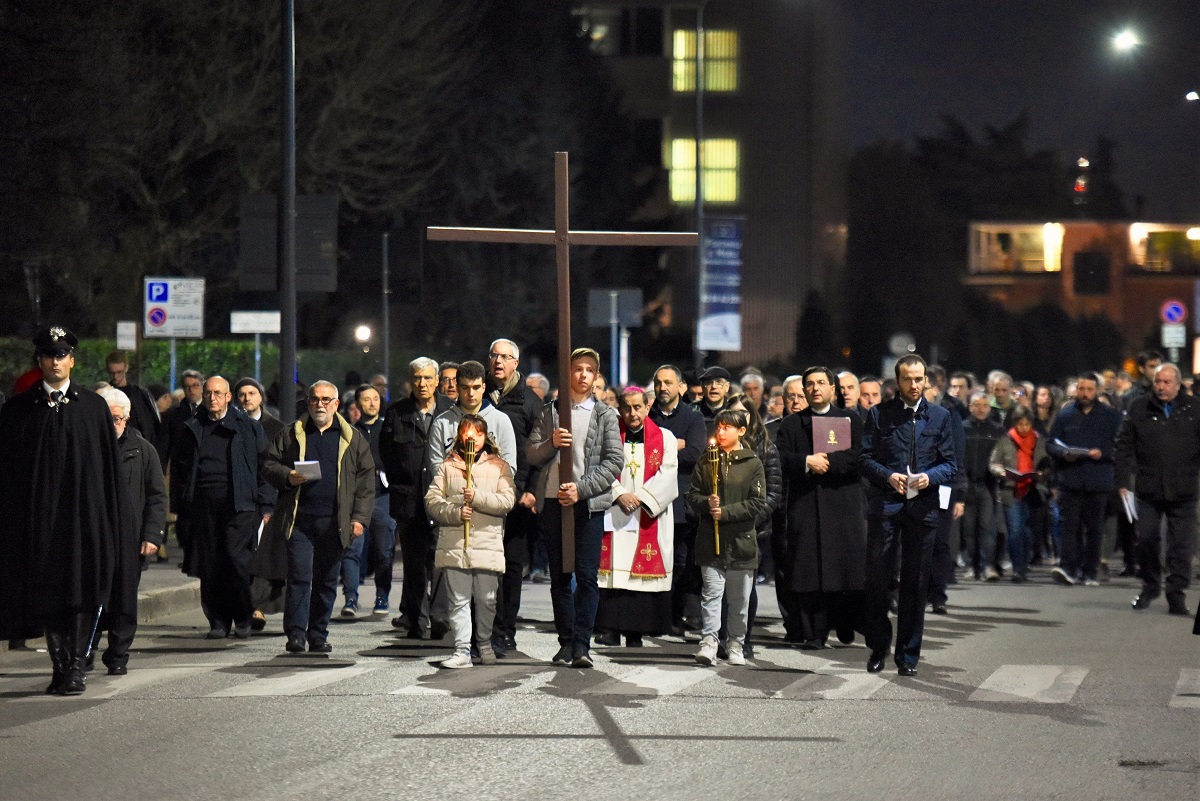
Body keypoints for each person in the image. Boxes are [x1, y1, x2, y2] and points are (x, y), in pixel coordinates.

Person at [0, 327, 129, 695]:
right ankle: (61, 665)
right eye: (48, 355)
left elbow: (108, 470)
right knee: (48, 594)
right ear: (39, 361)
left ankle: (75, 666)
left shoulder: (92, 407)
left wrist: (113, 522)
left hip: (84, 522)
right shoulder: (19, 410)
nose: (55, 361)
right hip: (40, 523)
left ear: (72, 360)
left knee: (83, 592)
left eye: (61, 355)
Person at [526, 347, 624, 668]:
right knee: (559, 576)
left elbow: (614, 461)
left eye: (589, 370)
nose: (583, 375)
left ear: (596, 376)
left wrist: (581, 489)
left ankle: (582, 644)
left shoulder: (605, 415)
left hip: (588, 504)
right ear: (568, 372)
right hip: (554, 500)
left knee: (586, 576)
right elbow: (532, 452)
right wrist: (551, 443)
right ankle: (565, 642)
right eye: (577, 368)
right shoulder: (551, 411)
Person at [860, 354, 957, 677]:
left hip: (923, 507)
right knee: (878, 579)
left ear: (926, 380)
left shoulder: (941, 417)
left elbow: (950, 464)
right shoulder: (879, 414)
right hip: (886, 505)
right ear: (897, 381)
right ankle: (878, 647)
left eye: (918, 379)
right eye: (907, 379)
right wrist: (888, 476)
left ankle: (908, 655)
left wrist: (930, 477)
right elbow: (864, 458)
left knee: (915, 583)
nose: (914, 385)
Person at [261, 381, 375, 653]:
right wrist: (287, 476)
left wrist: (359, 518)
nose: (320, 405)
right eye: (314, 399)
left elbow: (365, 480)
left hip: (335, 522)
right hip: (299, 520)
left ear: (336, 404)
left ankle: (318, 634)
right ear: (308, 402)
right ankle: (296, 635)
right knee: (299, 576)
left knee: (326, 580)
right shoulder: (292, 433)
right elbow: (268, 463)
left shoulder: (352, 437)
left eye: (325, 400)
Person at [174, 376, 275, 639]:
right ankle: (217, 621)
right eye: (208, 393)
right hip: (203, 506)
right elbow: (181, 468)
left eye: (218, 393)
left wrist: (266, 504)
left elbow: (265, 466)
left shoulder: (247, 427)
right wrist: (181, 505)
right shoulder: (193, 427)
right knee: (209, 564)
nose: (212, 398)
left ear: (229, 396)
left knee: (235, 561)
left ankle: (242, 615)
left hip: (240, 505)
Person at [775, 366, 865, 649]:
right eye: (810, 384)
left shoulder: (850, 419)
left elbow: (860, 455)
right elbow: (779, 458)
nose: (815, 388)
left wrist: (828, 462)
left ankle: (844, 622)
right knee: (808, 571)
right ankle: (813, 632)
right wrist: (806, 462)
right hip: (806, 505)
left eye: (821, 383)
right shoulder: (791, 424)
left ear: (832, 389)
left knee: (843, 568)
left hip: (842, 504)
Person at [425, 415, 516, 667]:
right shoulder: (448, 467)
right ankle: (462, 650)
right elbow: (432, 500)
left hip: (487, 544)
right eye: (466, 432)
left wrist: (477, 498)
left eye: (478, 433)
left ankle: (484, 642)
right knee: (458, 600)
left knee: (487, 600)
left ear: (485, 437)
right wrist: (455, 512)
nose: (472, 437)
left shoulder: (499, 466)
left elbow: (507, 500)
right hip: (456, 545)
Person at [595, 386, 679, 647]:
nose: (632, 413)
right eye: (627, 408)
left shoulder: (665, 438)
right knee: (612, 572)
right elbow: (598, 467)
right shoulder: (609, 435)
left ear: (647, 407)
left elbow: (668, 474)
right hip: (615, 510)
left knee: (638, 576)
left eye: (637, 407)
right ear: (619, 409)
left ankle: (636, 632)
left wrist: (641, 498)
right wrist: (619, 494)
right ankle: (609, 628)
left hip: (647, 513)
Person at [1116, 363, 1200, 615]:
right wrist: (1122, 480)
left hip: (1184, 488)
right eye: (1158, 382)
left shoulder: (1194, 408)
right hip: (1149, 488)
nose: (1161, 387)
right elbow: (1124, 445)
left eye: (1166, 382)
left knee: (1181, 546)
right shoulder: (1139, 407)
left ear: (1178, 385)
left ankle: (1176, 593)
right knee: (1147, 539)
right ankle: (1151, 585)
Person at [94, 386, 167, 674]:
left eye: (116, 419)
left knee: (124, 601)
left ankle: (118, 655)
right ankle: (84, 652)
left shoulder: (143, 450)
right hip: (96, 537)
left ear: (126, 419)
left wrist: (152, 535)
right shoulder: (89, 447)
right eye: (106, 418)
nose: (111, 424)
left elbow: (157, 496)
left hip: (130, 539)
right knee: (91, 598)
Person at [687, 409, 767, 666]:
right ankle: (709, 642)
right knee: (711, 594)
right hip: (711, 541)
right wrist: (706, 503)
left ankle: (735, 643)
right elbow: (693, 495)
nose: (720, 432)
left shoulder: (752, 463)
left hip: (741, 542)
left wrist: (727, 512)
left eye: (727, 427)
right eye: (718, 427)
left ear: (741, 431)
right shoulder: (706, 461)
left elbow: (757, 502)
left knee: (739, 599)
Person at [380, 358, 453, 639]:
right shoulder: (396, 412)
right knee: (413, 563)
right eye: (417, 378)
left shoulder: (450, 411)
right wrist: (401, 482)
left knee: (441, 559)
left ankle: (440, 616)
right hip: (408, 499)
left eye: (427, 378)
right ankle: (416, 619)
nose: (422, 384)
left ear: (437, 381)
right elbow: (386, 453)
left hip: (442, 498)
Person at [484, 338, 545, 657]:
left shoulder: (530, 402)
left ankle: (506, 630)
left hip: (517, 496)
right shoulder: (479, 394)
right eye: (494, 355)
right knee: (483, 565)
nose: (499, 361)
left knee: (511, 566)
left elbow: (542, 451)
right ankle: (482, 629)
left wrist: (532, 490)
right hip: (482, 494)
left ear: (516, 363)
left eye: (505, 357)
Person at [1046, 372, 1122, 587]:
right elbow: (1051, 444)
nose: (1085, 393)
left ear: (1097, 391)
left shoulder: (1111, 416)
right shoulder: (1065, 415)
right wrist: (1063, 453)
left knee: (1094, 529)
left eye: (1089, 389)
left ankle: (1090, 571)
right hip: (1070, 479)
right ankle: (1068, 568)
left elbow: (1121, 445)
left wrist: (1103, 453)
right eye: (1081, 389)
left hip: (1098, 481)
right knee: (1069, 527)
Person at [648, 364, 707, 637]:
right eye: (658, 383)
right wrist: (674, 444)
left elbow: (694, 453)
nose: (663, 388)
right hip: (650, 499)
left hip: (681, 503)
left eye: (668, 382)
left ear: (680, 386)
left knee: (680, 563)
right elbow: (638, 452)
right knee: (653, 560)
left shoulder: (693, 417)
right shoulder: (647, 415)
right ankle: (652, 618)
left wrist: (659, 450)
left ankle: (674, 617)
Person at [340, 383, 396, 616]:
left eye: (376, 398)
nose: (372, 403)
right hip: (356, 498)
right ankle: (351, 598)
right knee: (352, 549)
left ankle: (382, 597)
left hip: (383, 496)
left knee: (384, 550)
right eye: (366, 399)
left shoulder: (390, 430)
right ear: (357, 404)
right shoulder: (350, 432)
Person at [989, 406, 1050, 583]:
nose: (1024, 428)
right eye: (1020, 424)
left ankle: (1024, 564)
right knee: (1015, 529)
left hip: (1032, 490)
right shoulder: (1005, 440)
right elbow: (994, 463)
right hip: (1011, 490)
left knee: (1028, 532)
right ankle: (1018, 569)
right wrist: (1001, 471)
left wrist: (1041, 474)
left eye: (1027, 424)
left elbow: (1046, 464)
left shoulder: (1038, 440)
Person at [961, 390, 1005, 581]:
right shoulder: (961, 428)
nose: (981, 409)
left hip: (988, 485)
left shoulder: (997, 430)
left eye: (985, 405)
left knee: (987, 527)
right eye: (977, 405)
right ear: (970, 407)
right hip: (966, 485)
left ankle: (988, 566)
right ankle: (973, 566)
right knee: (969, 529)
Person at [105, 350, 164, 458]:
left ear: (126, 368)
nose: (116, 377)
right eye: (112, 373)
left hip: (140, 448)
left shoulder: (140, 395)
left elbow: (153, 426)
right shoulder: (106, 395)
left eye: (119, 372)